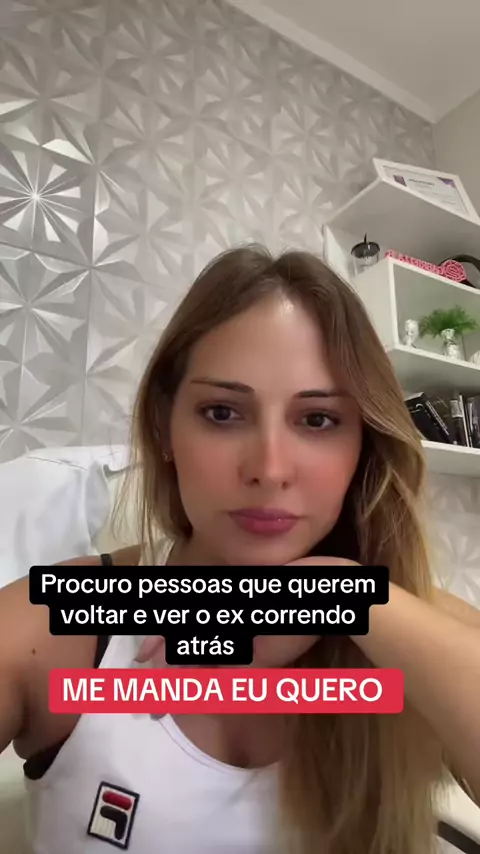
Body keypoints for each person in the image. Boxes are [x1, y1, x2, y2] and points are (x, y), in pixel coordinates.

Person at [0, 245, 479, 854]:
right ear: (164, 426)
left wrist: (355, 602)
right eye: (223, 412)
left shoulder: (408, 618)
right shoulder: (57, 624)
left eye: (318, 420)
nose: (269, 469)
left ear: (363, 444)